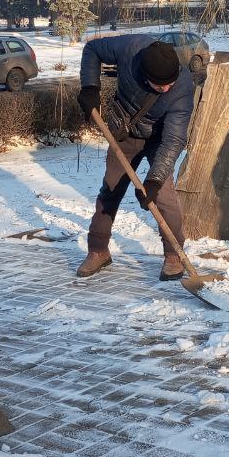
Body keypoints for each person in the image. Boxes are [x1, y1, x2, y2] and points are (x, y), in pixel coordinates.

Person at [74, 35, 193, 280]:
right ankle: (98, 250)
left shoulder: (183, 88)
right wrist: (89, 87)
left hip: (160, 138)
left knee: (165, 196)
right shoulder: (130, 49)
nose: (167, 88)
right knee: (111, 189)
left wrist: (154, 180)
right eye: (161, 86)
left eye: (170, 82)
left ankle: (173, 254)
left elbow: (173, 140)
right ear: (145, 75)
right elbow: (93, 49)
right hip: (125, 131)